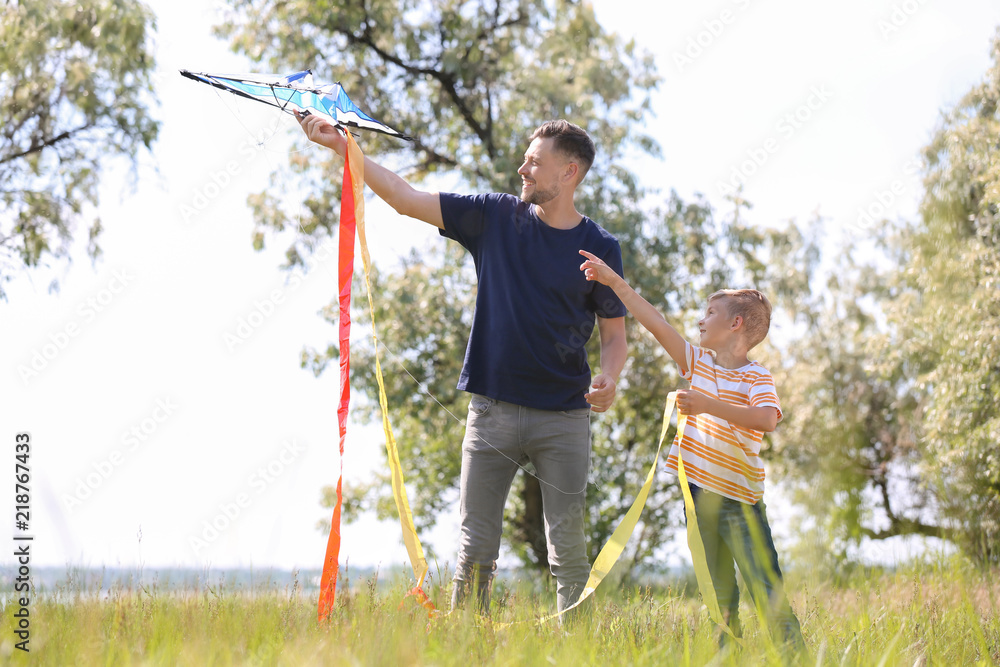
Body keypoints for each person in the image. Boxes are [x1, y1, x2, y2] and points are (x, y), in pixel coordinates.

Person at [297, 114, 628, 615]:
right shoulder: (494, 216)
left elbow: (614, 335)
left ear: (570, 173)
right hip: (491, 413)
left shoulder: (601, 247)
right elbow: (408, 200)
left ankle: (575, 652)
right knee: (474, 553)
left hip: (565, 419)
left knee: (569, 555)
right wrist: (347, 149)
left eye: (535, 162)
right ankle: (464, 648)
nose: (522, 168)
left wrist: (611, 376)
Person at [578, 250, 806, 652]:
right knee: (719, 601)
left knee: (766, 594)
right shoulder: (696, 364)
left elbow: (767, 419)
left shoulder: (757, 376)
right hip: (699, 499)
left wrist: (706, 406)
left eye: (710, 312)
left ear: (735, 324)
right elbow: (655, 323)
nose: (700, 320)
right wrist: (614, 282)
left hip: (741, 503)